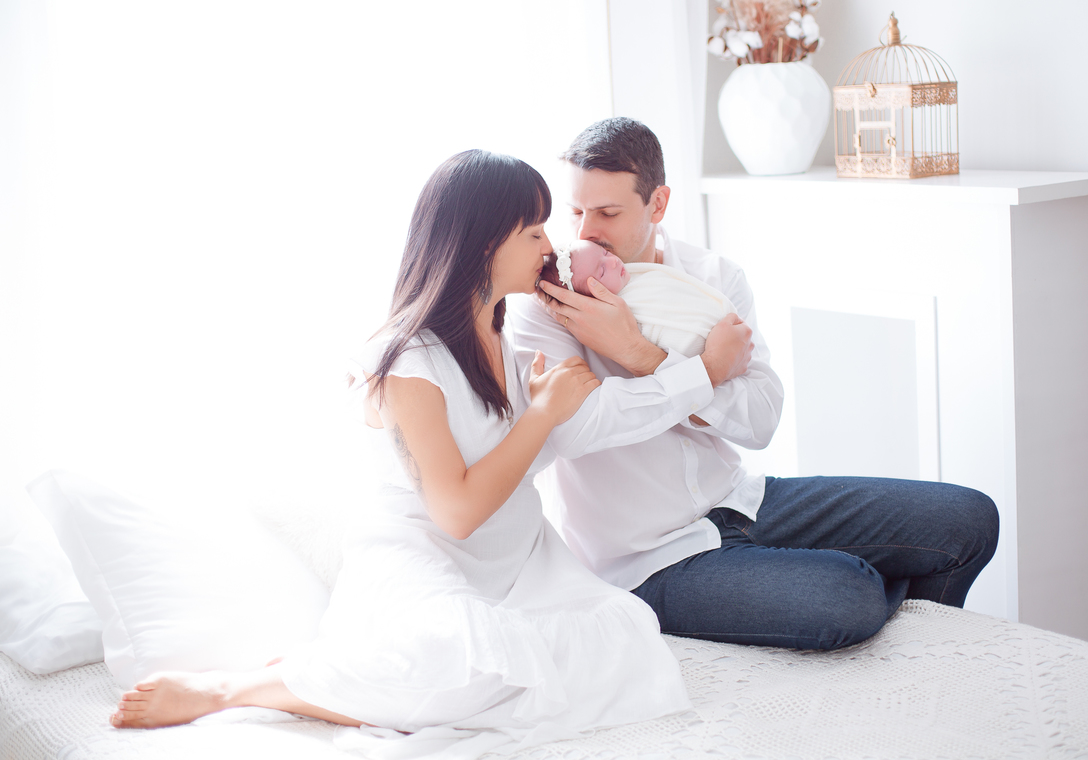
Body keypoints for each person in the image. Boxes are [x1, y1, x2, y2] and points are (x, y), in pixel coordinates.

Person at [108, 150, 690, 757]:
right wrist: (541, 415)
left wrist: (664, 371)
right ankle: (237, 689)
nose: (550, 246)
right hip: (425, 563)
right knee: (455, 660)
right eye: (534, 232)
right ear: (484, 243)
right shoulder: (406, 363)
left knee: (624, 636)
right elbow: (456, 513)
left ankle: (347, 676)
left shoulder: (503, 333)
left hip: (519, 561)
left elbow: (531, 453)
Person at [507, 117, 1000, 652]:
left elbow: (761, 418)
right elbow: (578, 430)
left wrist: (641, 356)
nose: (585, 232)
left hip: (741, 502)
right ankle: (857, 607)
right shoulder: (550, 302)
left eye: (607, 213)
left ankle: (906, 645)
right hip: (645, 560)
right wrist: (705, 371)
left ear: (658, 204)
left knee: (967, 520)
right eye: (575, 211)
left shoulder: (712, 277)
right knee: (848, 592)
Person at [541, 238, 736, 357]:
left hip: (722, 325)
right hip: (695, 341)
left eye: (605, 253)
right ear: (588, 301)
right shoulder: (620, 315)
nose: (613, 262)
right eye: (601, 271)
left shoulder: (638, 277)